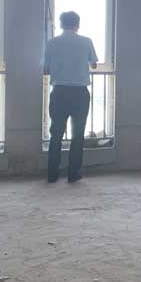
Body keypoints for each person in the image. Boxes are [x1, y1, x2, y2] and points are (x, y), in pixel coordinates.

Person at [43, 11, 98, 183]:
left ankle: (52, 174)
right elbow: (94, 65)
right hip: (80, 93)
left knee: (56, 134)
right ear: (78, 25)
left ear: (61, 24)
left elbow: (45, 69)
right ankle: (73, 173)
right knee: (78, 134)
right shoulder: (86, 41)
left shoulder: (52, 43)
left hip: (59, 92)